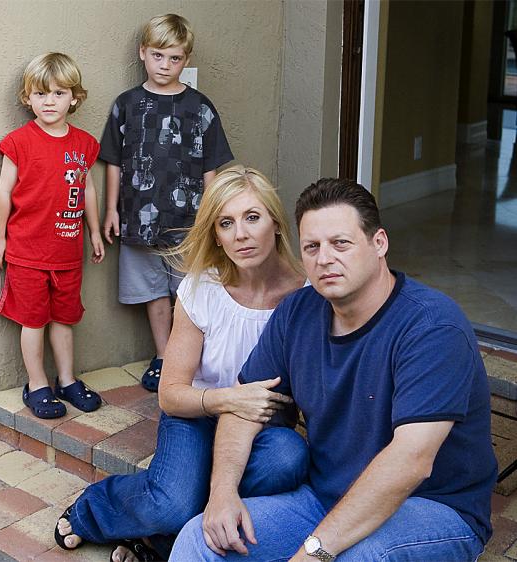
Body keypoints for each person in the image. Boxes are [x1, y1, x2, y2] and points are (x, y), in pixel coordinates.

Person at [171, 178, 498, 561]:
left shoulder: (432, 327)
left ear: (378, 244)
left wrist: (314, 551)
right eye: (312, 246)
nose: (324, 258)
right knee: (201, 540)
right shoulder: (297, 312)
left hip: (432, 509)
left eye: (340, 243)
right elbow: (244, 409)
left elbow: (410, 460)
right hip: (326, 497)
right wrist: (223, 494)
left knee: (355, 557)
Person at [54, 166, 309, 562]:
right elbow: (171, 395)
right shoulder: (203, 288)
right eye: (226, 223)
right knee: (171, 501)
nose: (241, 234)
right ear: (217, 237)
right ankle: (94, 510)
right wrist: (226, 400)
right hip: (197, 412)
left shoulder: (307, 293)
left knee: (289, 458)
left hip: (263, 424)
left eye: (252, 217)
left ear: (275, 223)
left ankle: (160, 540)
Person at [100, 13, 234, 393]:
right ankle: (162, 356)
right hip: (137, 222)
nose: (165, 65)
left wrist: (213, 217)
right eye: (158, 55)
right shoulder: (126, 105)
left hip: (188, 225)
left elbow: (212, 167)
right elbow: (112, 162)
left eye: (174, 58)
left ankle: (185, 359)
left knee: (188, 293)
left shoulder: (200, 107)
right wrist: (110, 210)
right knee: (153, 295)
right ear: (143, 53)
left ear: (186, 60)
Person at [0, 52, 105, 419]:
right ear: (28, 98)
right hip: (27, 253)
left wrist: (95, 231)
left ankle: (68, 379)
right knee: (34, 321)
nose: (49, 101)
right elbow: (4, 194)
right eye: (40, 94)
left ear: (74, 97)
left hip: (68, 252)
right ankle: (38, 383)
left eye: (58, 93)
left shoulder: (84, 144)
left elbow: (86, 189)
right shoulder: (19, 142)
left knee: (64, 319)